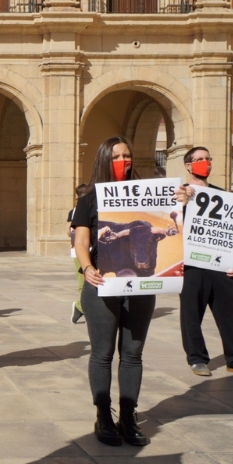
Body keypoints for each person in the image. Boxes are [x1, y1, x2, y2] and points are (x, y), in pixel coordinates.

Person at [72, 136, 155, 447]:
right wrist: (87, 267)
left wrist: (183, 197)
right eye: (117, 156)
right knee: (103, 353)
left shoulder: (149, 194)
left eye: (128, 155)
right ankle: (103, 415)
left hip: (141, 287)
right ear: (105, 160)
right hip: (102, 285)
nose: (124, 161)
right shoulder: (89, 200)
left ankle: (129, 415)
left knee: (133, 354)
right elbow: (81, 242)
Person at [178, 146, 233, 377]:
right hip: (191, 265)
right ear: (188, 165)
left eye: (208, 158)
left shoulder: (222, 195)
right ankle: (197, 359)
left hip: (220, 265)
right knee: (192, 313)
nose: (206, 162)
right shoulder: (180, 194)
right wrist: (183, 203)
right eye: (200, 159)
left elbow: (231, 233)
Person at [68, 183, 87, 325]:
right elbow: (68, 232)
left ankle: (83, 307)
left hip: (96, 251)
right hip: (78, 251)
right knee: (83, 283)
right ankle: (81, 307)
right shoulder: (74, 212)